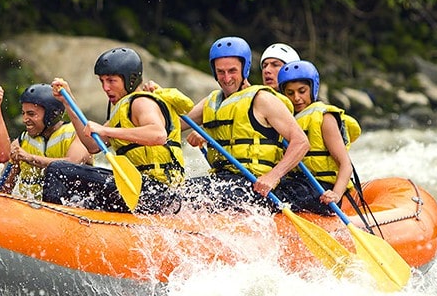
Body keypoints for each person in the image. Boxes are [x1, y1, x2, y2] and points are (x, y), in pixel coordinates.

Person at [44, 47, 195, 214]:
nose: (105, 87)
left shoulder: (141, 102)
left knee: (58, 170)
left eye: (111, 81)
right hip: (140, 188)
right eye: (102, 81)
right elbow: (92, 145)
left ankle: (53, 221)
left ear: (130, 80)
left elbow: (157, 135)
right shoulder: (122, 110)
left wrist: (106, 131)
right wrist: (68, 102)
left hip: (157, 192)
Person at [180, 36, 310, 212]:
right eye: (220, 72)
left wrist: (272, 177)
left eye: (232, 71)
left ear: (245, 68)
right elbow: (175, 124)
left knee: (195, 197)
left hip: (254, 185)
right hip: (221, 180)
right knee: (178, 192)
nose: (226, 78)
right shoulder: (211, 101)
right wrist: (155, 99)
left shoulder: (262, 99)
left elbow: (301, 142)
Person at [277, 60, 361, 214]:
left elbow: (345, 164)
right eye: (290, 93)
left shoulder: (324, 118)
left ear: (312, 89)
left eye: (302, 91)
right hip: (297, 184)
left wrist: (335, 194)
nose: (296, 98)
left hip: (321, 188)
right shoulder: (285, 120)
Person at [0, 83, 91, 198]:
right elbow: (3, 190)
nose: (25, 119)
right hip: (31, 209)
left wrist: (30, 158)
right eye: (23, 113)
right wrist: (14, 165)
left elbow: (73, 163)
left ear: (52, 114)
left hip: (70, 207)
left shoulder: (78, 135)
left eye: (31, 114)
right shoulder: (20, 142)